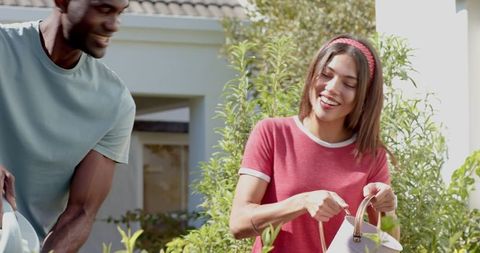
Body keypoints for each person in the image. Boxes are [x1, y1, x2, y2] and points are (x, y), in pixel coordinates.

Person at [229, 34, 398, 252]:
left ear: (364, 96)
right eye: (326, 75)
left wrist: (387, 210)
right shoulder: (272, 133)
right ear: (312, 74)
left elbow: (387, 243)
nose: (332, 88)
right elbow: (238, 223)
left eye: (348, 83)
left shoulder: (370, 154)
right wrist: (302, 202)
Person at [0, 0, 134, 251]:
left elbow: (80, 212)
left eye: (119, 12)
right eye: (103, 9)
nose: (114, 25)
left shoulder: (115, 102)